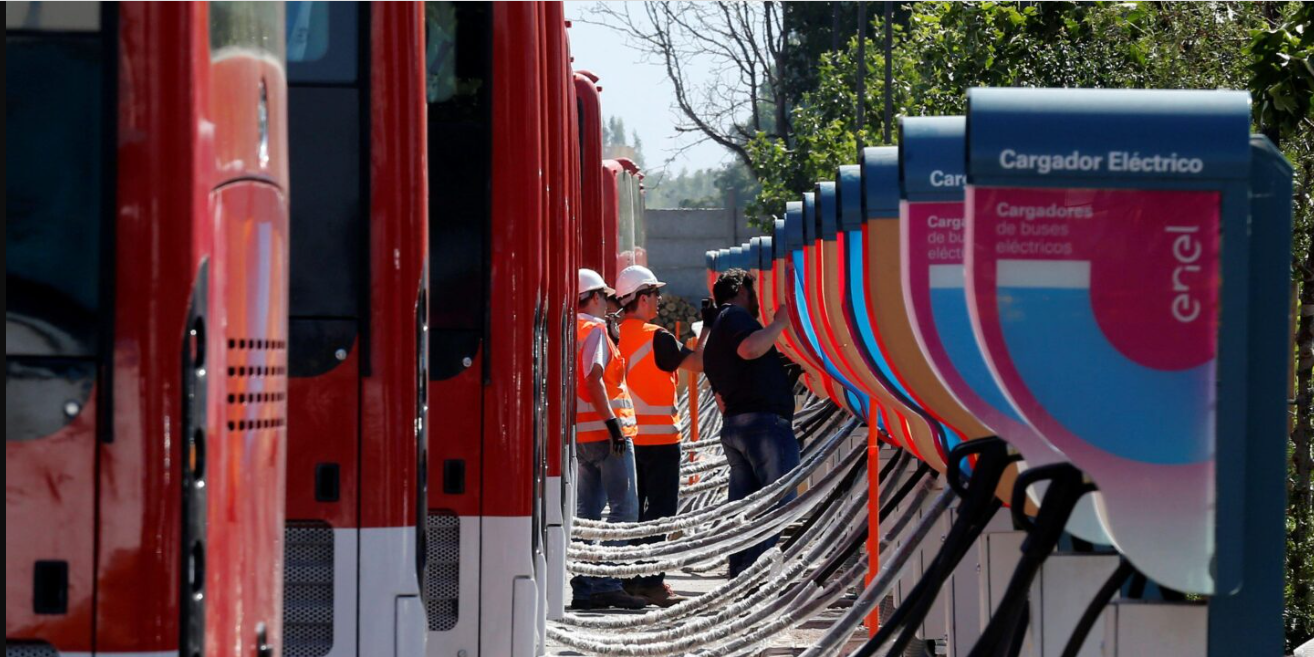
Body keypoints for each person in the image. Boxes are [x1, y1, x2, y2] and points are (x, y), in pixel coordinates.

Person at [612, 265, 707, 607]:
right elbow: (698, 363)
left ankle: (628, 579)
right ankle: (651, 582)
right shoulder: (658, 336)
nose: (658, 301)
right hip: (661, 441)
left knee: (632, 514)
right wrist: (707, 330)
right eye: (654, 294)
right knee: (661, 514)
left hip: (626, 439)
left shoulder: (612, 335)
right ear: (641, 297)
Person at [700, 267, 800, 577]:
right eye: (754, 292)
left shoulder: (716, 332)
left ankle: (741, 574)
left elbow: (719, 390)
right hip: (764, 425)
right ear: (742, 291)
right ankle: (754, 576)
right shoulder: (734, 316)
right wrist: (780, 323)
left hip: (737, 426)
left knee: (745, 509)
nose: (757, 300)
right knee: (777, 501)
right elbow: (750, 348)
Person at [571, 268, 648, 610]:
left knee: (587, 514)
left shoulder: (570, 329)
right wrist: (614, 426)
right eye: (605, 296)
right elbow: (594, 378)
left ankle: (584, 585)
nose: (609, 303)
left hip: (582, 435)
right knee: (624, 510)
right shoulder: (595, 330)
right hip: (608, 435)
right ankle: (605, 582)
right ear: (594, 297)